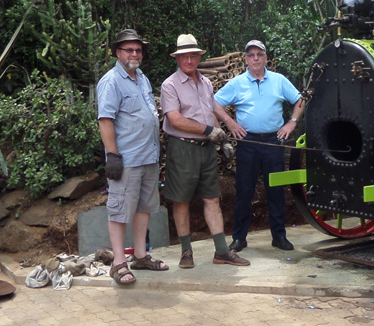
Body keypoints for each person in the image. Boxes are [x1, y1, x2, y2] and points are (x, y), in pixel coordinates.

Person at [160, 34, 250, 268]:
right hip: (183, 148)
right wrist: (209, 130)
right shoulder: (170, 85)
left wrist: (223, 140)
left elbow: (209, 111)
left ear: (199, 57)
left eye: (193, 56)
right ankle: (186, 252)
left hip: (206, 149)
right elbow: (176, 120)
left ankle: (222, 251)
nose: (189, 60)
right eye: (184, 56)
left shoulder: (206, 83)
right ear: (177, 59)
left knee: (212, 199)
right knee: (181, 201)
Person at [215, 39, 305, 252]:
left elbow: (300, 100)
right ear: (245, 59)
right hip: (249, 143)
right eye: (251, 55)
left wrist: (292, 123)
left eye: (259, 54)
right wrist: (230, 123)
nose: (255, 58)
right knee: (244, 191)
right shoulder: (237, 83)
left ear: (266, 58)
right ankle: (239, 238)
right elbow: (214, 103)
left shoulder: (279, 80)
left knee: (276, 190)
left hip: (274, 142)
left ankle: (279, 236)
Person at [97, 29, 169, 285]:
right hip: (126, 159)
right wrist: (113, 155)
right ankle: (118, 263)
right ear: (118, 53)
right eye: (129, 50)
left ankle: (140, 255)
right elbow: (105, 120)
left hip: (148, 156)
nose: (134, 54)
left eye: (138, 50)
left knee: (143, 208)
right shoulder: (111, 81)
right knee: (118, 210)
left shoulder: (142, 79)